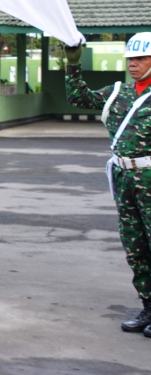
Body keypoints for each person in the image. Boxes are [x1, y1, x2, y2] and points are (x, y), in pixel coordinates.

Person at [65, 32, 151, 336]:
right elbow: (79, 97)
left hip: (150, 176)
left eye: (141, 59)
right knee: (135, 246)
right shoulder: (118, 93)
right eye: (131, 59)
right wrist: (73, 64)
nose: (134, 64)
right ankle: (148, 307)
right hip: (124, 177)